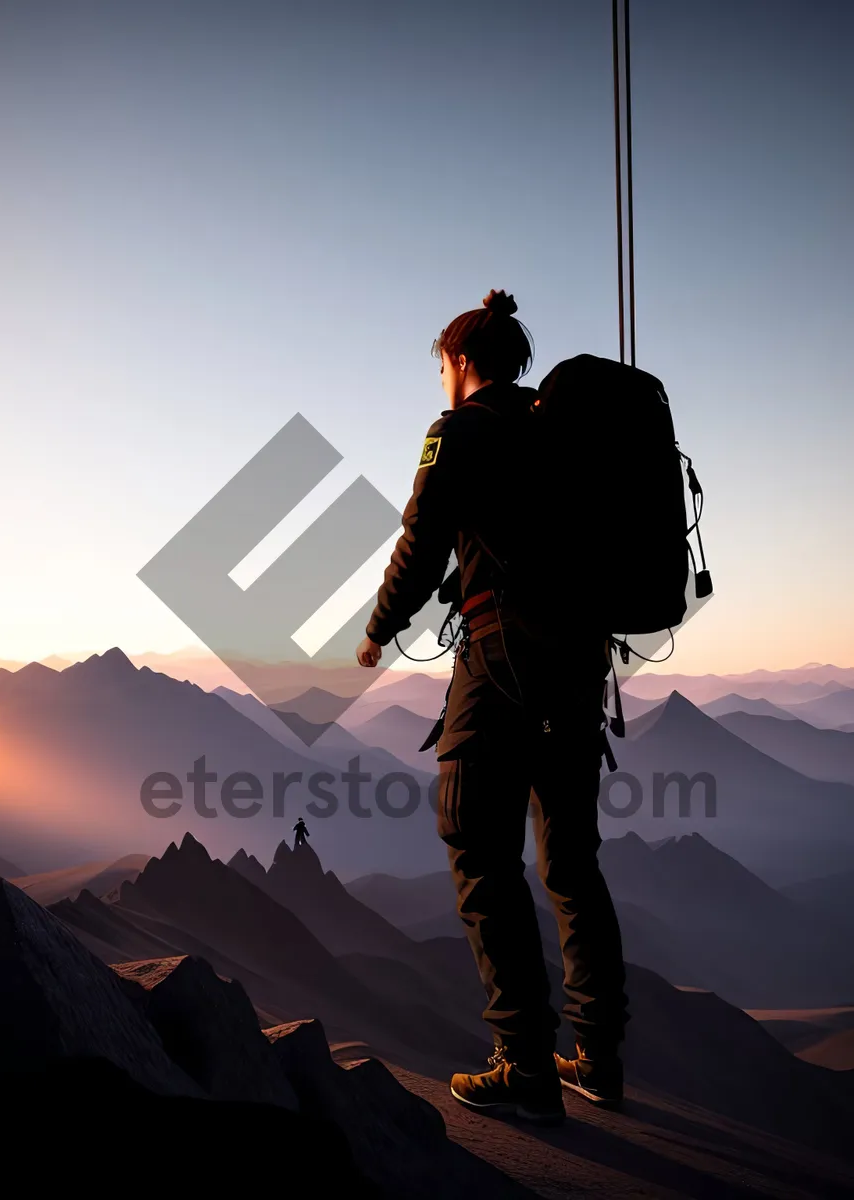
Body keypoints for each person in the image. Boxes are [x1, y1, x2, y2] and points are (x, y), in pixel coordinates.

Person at [356, 290, 629, 1124]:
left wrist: (378, 632)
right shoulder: (564, 431)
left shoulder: (459, 432)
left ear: (462, 362)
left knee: (477, 844)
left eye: (443, 365)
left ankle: (523, 1062)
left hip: (500, 666)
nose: (442, 380)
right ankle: (599, 1060)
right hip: (582, 671)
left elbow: (422, 540)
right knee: (572, 865)